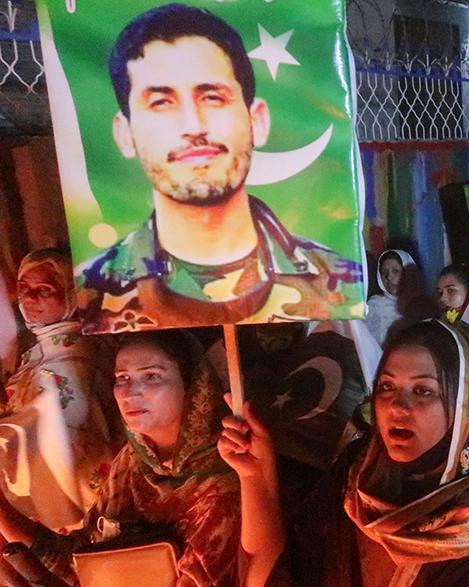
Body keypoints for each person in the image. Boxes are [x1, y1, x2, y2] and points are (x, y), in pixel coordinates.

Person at [220, 320, 469, 586]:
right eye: (387, 386)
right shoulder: (360, 478)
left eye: (423, 391)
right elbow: (288, 571)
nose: (397, 406)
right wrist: (256, 475)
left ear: (467, 405)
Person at [76, 3, 363, 334]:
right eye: (161, 102)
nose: (193, 126)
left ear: (257, 121)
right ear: (124, 134)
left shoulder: (339, 284)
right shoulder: (94, 292)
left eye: (212, 97)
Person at [0, 329, 241, 586]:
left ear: (193, 386)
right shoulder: (132, 462)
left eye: (151, 376)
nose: (129, 393)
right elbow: (81, 558)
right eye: (122, 378)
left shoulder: (222, 485)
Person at [3, 249, 120, 530]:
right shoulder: (39, 351)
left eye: (44, 289)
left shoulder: (75, 359)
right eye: (24, 288)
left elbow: (62, 448)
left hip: (73, 515)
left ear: (71, 293)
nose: (30, 298)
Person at [365, 249, 430, 346]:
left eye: (395, 271)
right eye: (384, 272)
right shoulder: (374, 305)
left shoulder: (423, 307)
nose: (389, 277)